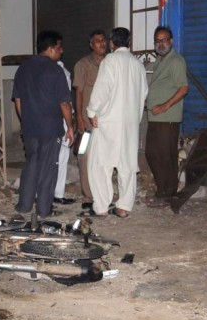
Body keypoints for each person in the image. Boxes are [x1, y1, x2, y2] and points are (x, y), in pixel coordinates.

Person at [84, 27, 148, 218]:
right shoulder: (138, 65)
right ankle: (124, 207)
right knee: (127, 165)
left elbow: (102, 88)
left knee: (100, 164)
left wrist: (92, 111)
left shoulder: (110, 61)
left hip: (109, 122)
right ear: (129, 42)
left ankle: (102, 207)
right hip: (129, 124)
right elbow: (144, 93)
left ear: (112, 43)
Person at [12, 30, 74, 220]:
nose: (61, 51)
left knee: (31, 164)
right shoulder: (56, 70)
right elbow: (64, 103)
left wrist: (27, 120)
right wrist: (70, 127)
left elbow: (18, 100)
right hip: (50, 127)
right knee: (48, 167)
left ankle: (24, 206)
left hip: (30, 127)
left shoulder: (23, 68)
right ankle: (44, 209)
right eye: (59, 47)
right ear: (51, 48)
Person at [145, 25, 189, 207]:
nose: (160, 43)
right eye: (157, 40)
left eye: (164, 40)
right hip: (156, 118)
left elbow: (184, 88)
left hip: (167, 117)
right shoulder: (160, 61)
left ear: (171, 41)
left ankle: (167, 194)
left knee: (164, 155)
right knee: (152, 153)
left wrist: (164, 106)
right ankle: (163, 191)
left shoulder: (176, 61)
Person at [73, 29, 108, 211]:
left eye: (103, 40)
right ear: (91, 44)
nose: (101, 43)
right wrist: (79, 117)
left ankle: (104, 193)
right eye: (97, 41)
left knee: (106, 158)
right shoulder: (83, 65)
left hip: (108, 122)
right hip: (87, 122)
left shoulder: (112, 63)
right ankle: (88, 195)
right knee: (84, 156)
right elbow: (78, 92)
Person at [53, 60, 75, 205]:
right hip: (59, 119)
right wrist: (70, 125)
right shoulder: (61, 73)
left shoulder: (36, 69)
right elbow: (65, 102)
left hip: (44, 120)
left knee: (58, 157)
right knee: (60, 157)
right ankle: (56, 193)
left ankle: (54, 193)